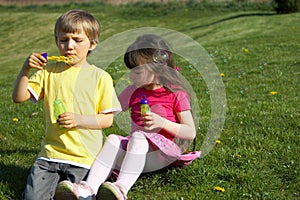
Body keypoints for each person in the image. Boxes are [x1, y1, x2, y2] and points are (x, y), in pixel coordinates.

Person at [56, 34, 201, 200]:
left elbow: (190, 132)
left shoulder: (176, 93)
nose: (131, 76)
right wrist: (79, 117)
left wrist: (162, 122)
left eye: (137, 71)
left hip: (162, 155)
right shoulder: (133, 91)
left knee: (138, 137)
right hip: (138, 153)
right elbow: (109, 113)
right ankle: (88, 189)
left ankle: (120, 188)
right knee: (113, 139)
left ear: (158, 67)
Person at [12, 9, 121, 200]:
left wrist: (78, 120)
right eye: (63, 40)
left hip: (83, 158)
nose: (69, 46)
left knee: (81, 197)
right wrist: (25, 69)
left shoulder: (100, 77)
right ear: (56, 41)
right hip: (50, 155)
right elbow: (18, 97)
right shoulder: (49, 72)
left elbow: (107, 119)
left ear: (92, 44)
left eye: (77, 40)